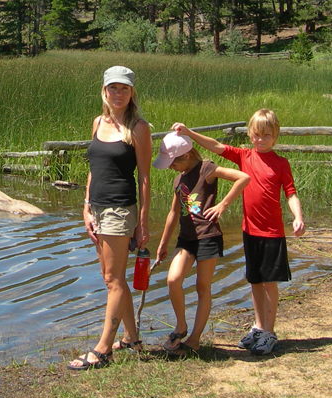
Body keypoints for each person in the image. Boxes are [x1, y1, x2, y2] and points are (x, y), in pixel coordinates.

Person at [172, 109, 304, 356]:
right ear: (250, 135)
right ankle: (258, 326)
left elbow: (291, 193)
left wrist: (298, 217)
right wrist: (189, 132)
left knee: (268, 283)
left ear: (275, 136)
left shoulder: (281, 163)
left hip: (272, 233)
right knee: (254, 280)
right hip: (250, 231)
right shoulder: (244, 156)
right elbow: (216, 146)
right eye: (256, 135)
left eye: (266, 135)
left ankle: (270, 332)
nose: (260, 140)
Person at [68, 66, 152, 371]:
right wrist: (86, 206)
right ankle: (131, 338)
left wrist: (142, 222)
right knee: (110, 278)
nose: (118, 94)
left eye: (124, 89)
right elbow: (93, 169)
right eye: (113, 88)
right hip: (98, 209)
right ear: (104, 92)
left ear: (132, 94)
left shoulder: (139, 128)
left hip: (120, 209)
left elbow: (144, 177)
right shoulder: (97, 123)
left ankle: (103, 349)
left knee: (114, 279)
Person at [153, 132, 250, 356]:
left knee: (202, 287)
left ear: (186, 156)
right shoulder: (179, 179)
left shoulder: (207, 169)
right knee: (173, 279)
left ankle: (194, 339)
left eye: (173, 163)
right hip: (186, 239)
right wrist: (163, 243)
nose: (170, 168)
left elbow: (243, 177)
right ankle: (181, 326)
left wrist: (222, 205)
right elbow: (173, 213)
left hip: (208, 236)